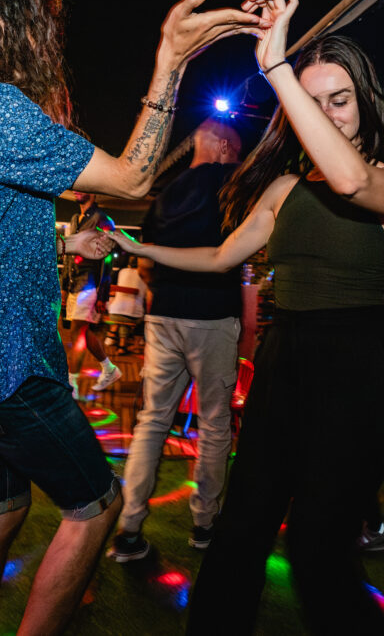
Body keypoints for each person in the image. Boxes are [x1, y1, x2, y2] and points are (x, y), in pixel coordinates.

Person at [0, 0, 264, 634]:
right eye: (36, 20)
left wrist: (64, 245)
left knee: (0, 514)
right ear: (0, 22)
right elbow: (134, 178)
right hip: (4, 364)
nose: (46, 37)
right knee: (95, 506)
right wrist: (171, 62)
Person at [109, 0, 384, 634]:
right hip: (283, 354)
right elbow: (220, 257)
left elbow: (351, 179)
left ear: (366, 102)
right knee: (241, 528)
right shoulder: (287, 187)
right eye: (312, 103)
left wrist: (277, 66)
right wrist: (136, 245)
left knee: (318, 548)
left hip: (354, 361)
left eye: (339, 100)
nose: (327, 115)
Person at [108, 117, 244, 562]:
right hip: (213, 315)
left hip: (163, 314)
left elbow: (146, 265)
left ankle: (129, 529)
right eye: (236, 150)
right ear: (223, 147)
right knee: (214, 424)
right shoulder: (233, 184)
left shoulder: (165, 193)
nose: (238, 158)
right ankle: (205, 524)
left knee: (152, 420)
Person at [61, 191, 120, 396]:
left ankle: (72, 385)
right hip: (74, 283)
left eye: (83, 187)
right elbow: (68, 254)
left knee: (77, 332)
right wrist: (64, 285)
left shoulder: (103, 220)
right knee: (82, 332)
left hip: (90, 284)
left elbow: (108, 260)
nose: (76, 190)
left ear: (93, 191)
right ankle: (109, 369)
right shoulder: (74, 219)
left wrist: (103, 294)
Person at [104, 255, 147, 354]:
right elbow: (145, 295)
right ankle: (137, 344)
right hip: (133, 315)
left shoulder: (122, 272)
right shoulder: (144, 275)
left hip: (114, 313)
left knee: (124, 319)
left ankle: (121, 345)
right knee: (141, 317)